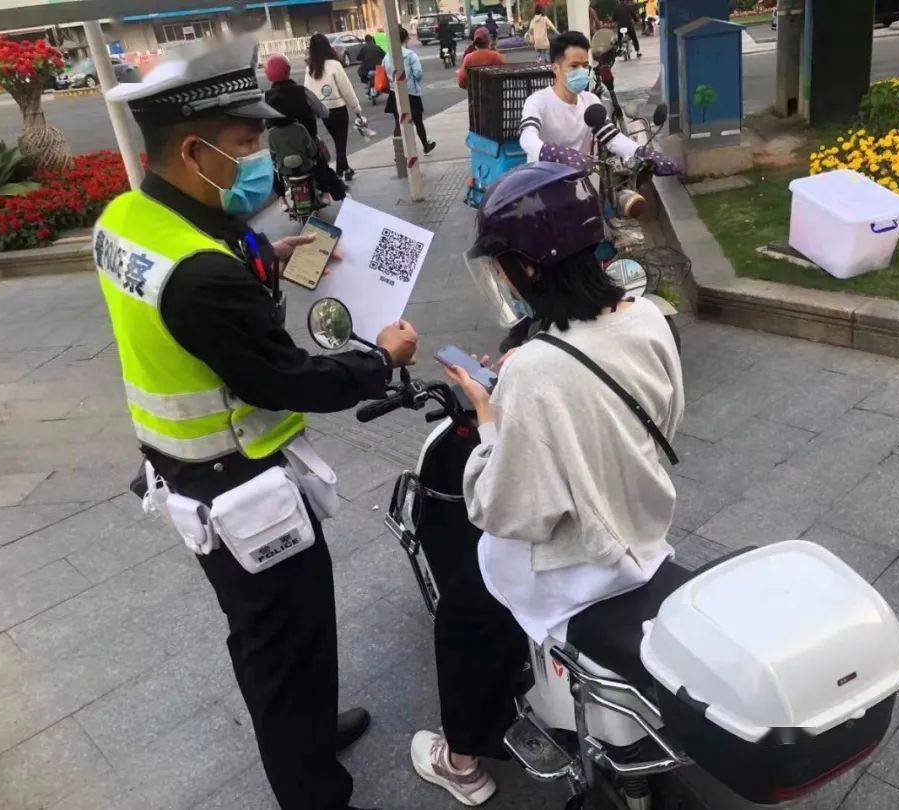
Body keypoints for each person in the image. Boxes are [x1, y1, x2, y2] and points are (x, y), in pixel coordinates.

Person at [99, 35, 419, 810]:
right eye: (244, 146)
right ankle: (309, 787)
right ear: (191, 150)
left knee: (267, 634)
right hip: (241, 486)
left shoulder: (128, 217)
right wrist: (381, 359)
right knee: (284, 640)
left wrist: (269, 255)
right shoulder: (202, 274)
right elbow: (284, 375)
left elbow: (196, 289)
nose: (260, 161)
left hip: (188, 478)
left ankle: (305, 730)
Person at [409, 160, 684, 806]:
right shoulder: (647, 318)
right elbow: (661, 417)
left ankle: (462, 760)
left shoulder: (533, 372)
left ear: (526, 269)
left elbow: (504, 507)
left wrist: (488, 419)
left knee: (464, 612)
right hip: (644, 530)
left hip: (576, 565)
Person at [519, 31, 659, 167]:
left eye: (585, 66)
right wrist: (556, 155)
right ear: (556, 68)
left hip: (584, 183)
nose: (581, 71)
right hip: (545, 183)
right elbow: (527, 138)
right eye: (574, 66)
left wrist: (645, 154)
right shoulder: (537, 101)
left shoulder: (591, 101)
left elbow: (612, 138)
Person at [263, 53, 347, 201]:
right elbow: (323, 112)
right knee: (322, 163)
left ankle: (282, 199)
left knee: (273, 169)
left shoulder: (266, 98)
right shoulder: (302, 92)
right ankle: (335, 193)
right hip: (307, 151)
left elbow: (265, 124)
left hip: (282, 157)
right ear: (288, 70)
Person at [305, 33, 364, 182]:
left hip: (323, 112)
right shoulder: (334, 65)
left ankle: (346, 169)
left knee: (338, 140)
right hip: (338, 109)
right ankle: (339, 172)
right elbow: (346, 89)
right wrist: (356, 108)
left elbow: (308, 91)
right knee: (340, 142)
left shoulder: (310, 68)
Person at [383, 25, 436, 155]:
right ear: (406, 38)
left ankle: (399, 153)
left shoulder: (387, 56)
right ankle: (425, 145)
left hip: (394, 92)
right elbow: (418, 73)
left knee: (398, 123)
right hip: (411, 92)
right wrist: (413, 82)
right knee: (418, 121)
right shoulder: (411, 55)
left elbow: (385, 73)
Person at [357, 34, 386, 103]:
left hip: (367, 69)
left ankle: (367, 83)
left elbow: (358, 57)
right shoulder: (377, 47)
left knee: (360, 72)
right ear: (372, 40)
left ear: (365, 40)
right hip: (378, 69)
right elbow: (384, 55)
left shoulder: (363, 48)